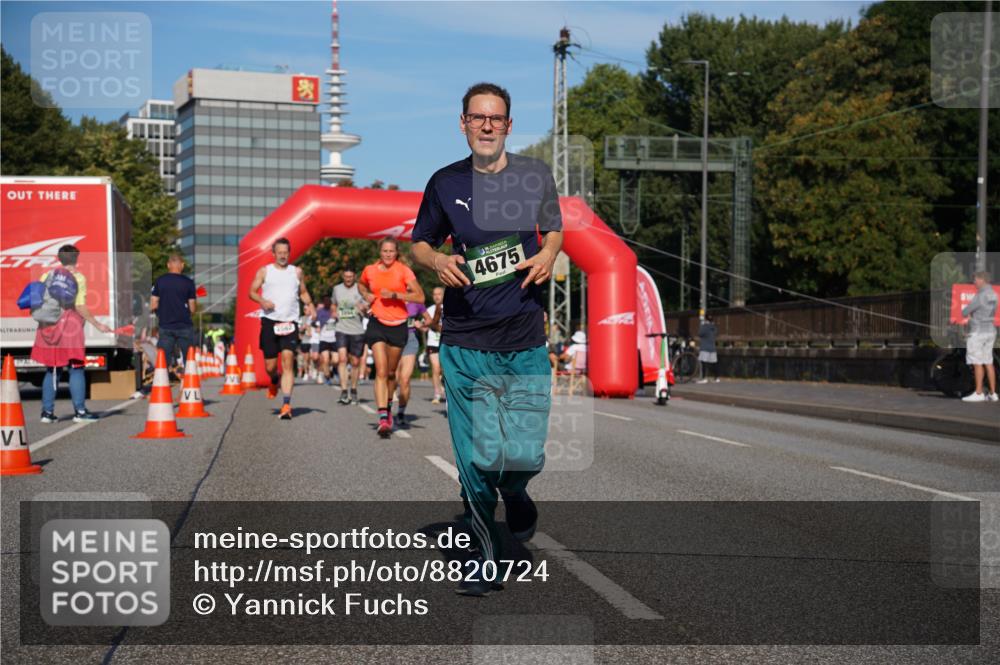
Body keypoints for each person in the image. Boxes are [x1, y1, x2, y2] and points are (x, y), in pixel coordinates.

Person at [411, 82, 563, 595]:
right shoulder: (444, 182)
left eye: (496, 118)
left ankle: (517, 494)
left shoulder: (534, 176)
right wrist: (436, 261)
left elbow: (555, 230)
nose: (487, 125)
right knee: (476, 457)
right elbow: (420, 243)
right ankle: (483, 554)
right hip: (464, 342)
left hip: (523, 340)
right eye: (477, 117)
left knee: (524, 454)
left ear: (509, 125)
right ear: (463, 123)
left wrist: (548, 255)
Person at [32, 244, 112, 423]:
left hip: (48, 326)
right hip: (70, 327)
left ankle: (47, 413)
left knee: (52, 369)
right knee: (76, 369)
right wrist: (98, 324)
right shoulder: (78, 277)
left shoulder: (47, 275)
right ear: (77, 258)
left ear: (59, 258)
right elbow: (79, 305)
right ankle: (80, 412)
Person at [358, 238, 425, 436]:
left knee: (390, 373)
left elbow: (420, 297)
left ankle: (388, 409)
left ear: (396, 253)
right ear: (380, 252)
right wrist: (366, 295)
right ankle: (382, 418)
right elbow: (361, 285)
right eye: (384, 251)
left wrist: (395, 295)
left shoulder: (404, 271)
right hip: (377, 322)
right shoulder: (370, 270)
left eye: (391, 251)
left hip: (398, 325)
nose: (388, 254)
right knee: (380, 370)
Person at [248, 238, 315, 420]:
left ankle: (286, 403)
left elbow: (303, 292)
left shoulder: (297, 272)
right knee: (270, 366)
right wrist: (262, 301)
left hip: (290, 322)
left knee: (287, 360)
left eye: (286, 252)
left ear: (289, 252)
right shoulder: (265, 271)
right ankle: (274, 380)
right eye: (280, 252)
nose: (283, 255)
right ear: (274, 253)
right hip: (270, 321)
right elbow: (251, 291)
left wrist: (311, 305)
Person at [150, 254, 197, 375]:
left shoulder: (160, 281)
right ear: (182, 266)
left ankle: (162, 384)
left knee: (163, 359)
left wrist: (159, 313)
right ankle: (189, 386)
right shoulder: (189, 283)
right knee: (189, 358)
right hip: (185, 325)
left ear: (168, 265)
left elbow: (153, 304)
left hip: (165, 325)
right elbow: (192, 308)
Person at [332, 269, 369, 405]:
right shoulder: (336, 289)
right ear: (343, 276)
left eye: (350, 277)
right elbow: (333, 304)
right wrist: (334, 312)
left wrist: (364, 308)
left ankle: (353, 389)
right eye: (346, 277)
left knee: (355, 362)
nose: (348, 279)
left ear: (355, 277)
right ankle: (343, 391)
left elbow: (368, 307)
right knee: (342, 359)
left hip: (357, 330)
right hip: (341, 328)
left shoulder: (360, 289)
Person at [961, 270, 998, 402]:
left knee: (977, 362)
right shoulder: (993, 294)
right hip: (990, 331)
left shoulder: (981, 294)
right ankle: (993, 393)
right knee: (988, 361)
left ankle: (978, 392)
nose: (974, 282)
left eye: (975, 279)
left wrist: (968, 315)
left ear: (982, 280)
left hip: (978, 332)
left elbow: (966, 310)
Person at [395, 299, 431, 426]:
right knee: (392, 378)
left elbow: (429, 320)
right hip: (392, 339)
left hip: (410, 341)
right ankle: (386, 411)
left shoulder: (416, 302)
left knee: (405, 379)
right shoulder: (392, 298)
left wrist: (421, 324)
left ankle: (400, 413)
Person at [426, 286, 446, 404]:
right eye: (434, 294)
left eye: (439, 294)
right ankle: (437, 393)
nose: (437, 296)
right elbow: (426, 325)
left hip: (445, 342)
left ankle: (443, 385)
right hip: (433, 342)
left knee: (444, 369)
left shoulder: (450, 307)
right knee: (436, 368)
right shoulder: (430, 309)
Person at [697, 314, 719, 383]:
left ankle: (704, 378)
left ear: (706, 319)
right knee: (714, 363)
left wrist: (703, 325)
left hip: (705, 347)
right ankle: (717, 378)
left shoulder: (704, 326)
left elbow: (700, 334)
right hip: (712, 347)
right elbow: (716, 333)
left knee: (703, 363)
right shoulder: (714, 327)